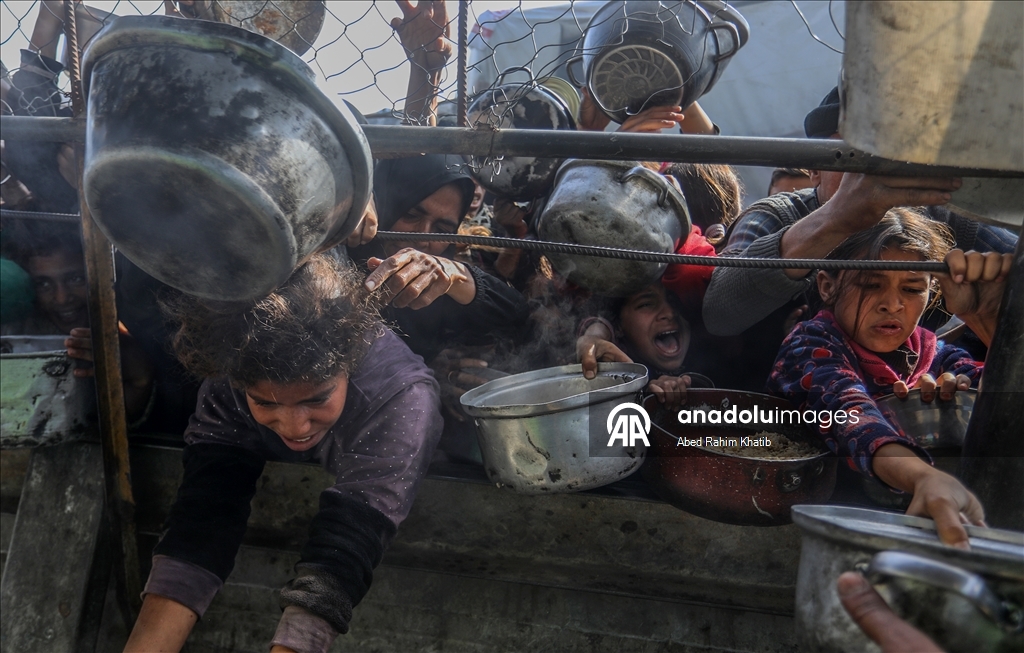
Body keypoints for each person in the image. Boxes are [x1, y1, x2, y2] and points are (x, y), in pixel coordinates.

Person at [123, 255, 443, 653]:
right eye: (266, 403)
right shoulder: (232, 370)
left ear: (349, 365)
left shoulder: (402, 398)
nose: (295, 427)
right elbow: (203, 517)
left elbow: (345, 549)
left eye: (316, 398)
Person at [767, 209, 1011, 548]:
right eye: (871, 284)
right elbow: (850, 413)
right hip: (813, 531)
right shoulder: (810, 345)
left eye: (912, 288)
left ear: (931, 294)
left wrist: (984, 320)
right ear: (827, 286)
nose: (892, 304)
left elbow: (1011, 401)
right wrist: (925, 478)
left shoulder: (937, 355)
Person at [703, 86, 1017, 338]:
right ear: (814, 169)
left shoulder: (942, 218)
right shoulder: (778, 216)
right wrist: (836, 220)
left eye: (891, 158)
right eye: (852, 158)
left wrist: (984, 315)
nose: (874, 174)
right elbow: (718, 313)